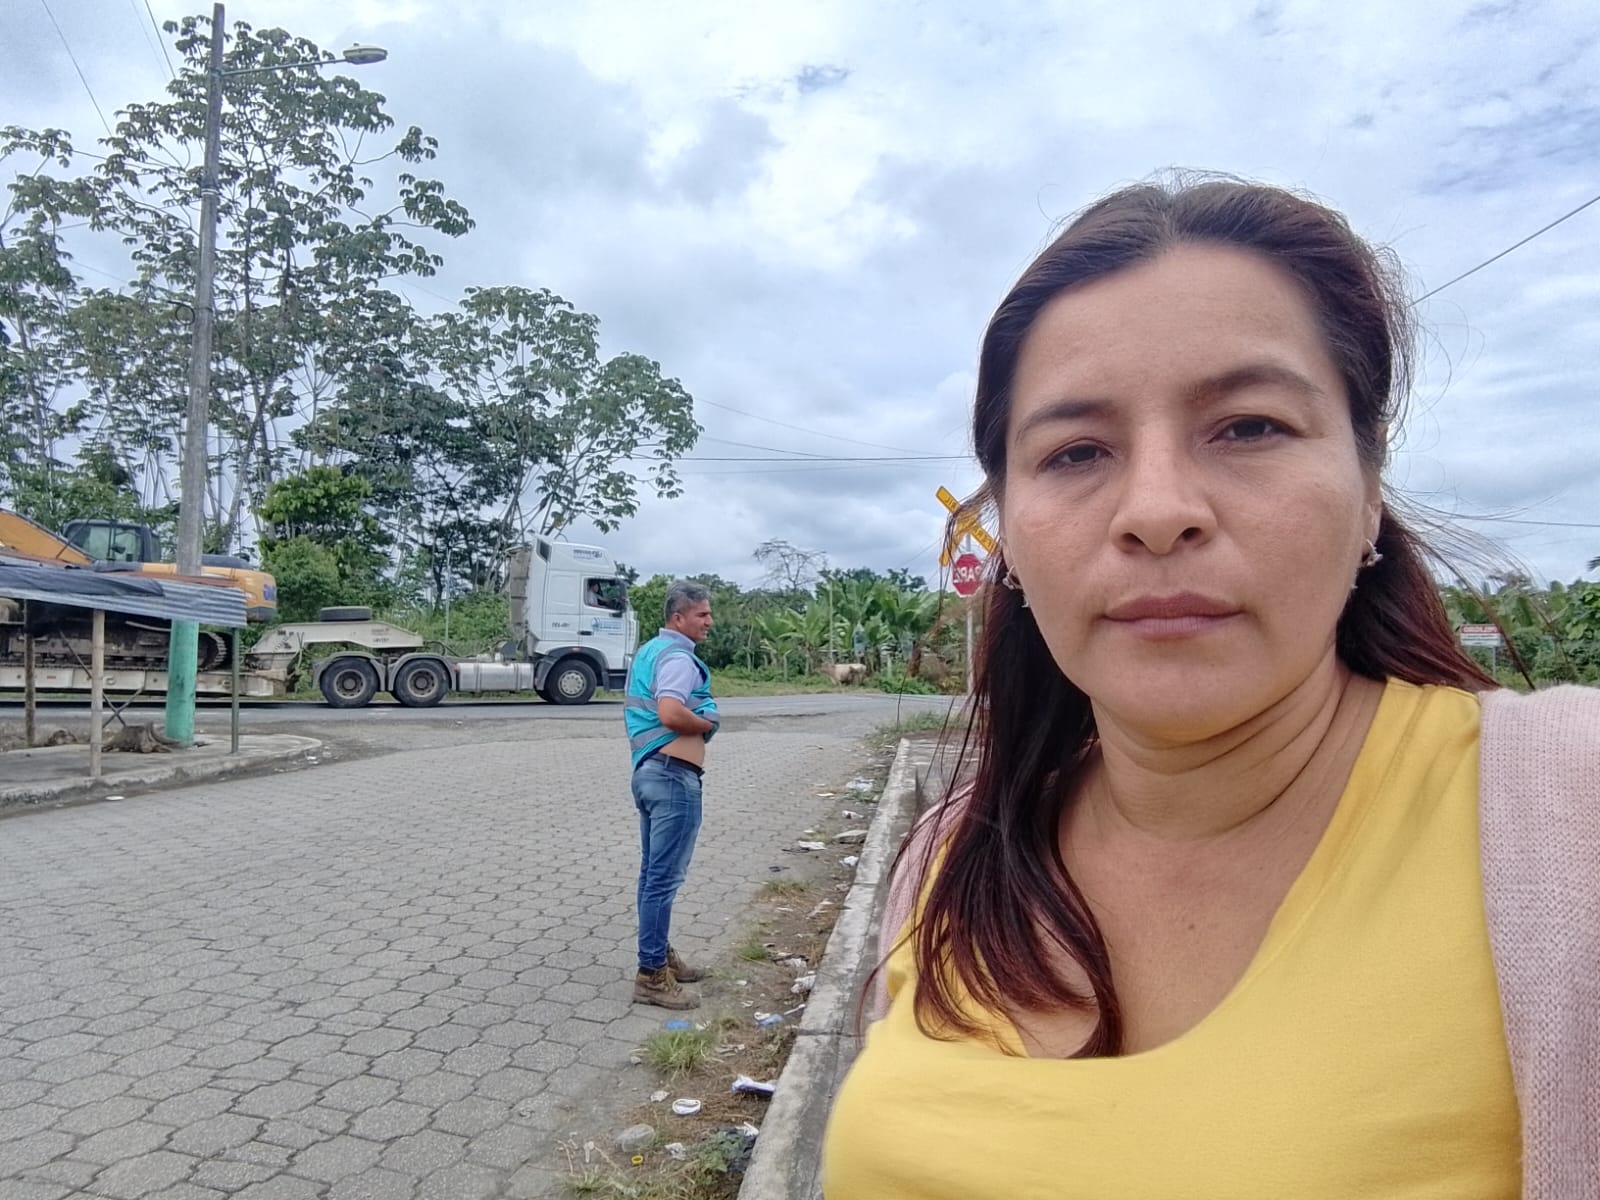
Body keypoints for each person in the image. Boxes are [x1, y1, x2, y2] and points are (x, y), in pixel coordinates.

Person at [822, 178, 1600, 1199]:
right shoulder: (952, 856)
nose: (1156, 511)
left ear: (1369, 491)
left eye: (1249, 427)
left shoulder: (1568, 814)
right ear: (1007, 530)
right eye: (1076, 452)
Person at [624, 580, 720, 1009]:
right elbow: (670, 711)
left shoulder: (650, 651)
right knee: (662, 879)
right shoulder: (678, 657)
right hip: (672, 778)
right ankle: (651, 976)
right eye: (702, 614)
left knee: (653, 876)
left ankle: (659, 956)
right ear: (678, 618)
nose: (709, 621)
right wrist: (708, 723)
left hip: (651, 773)